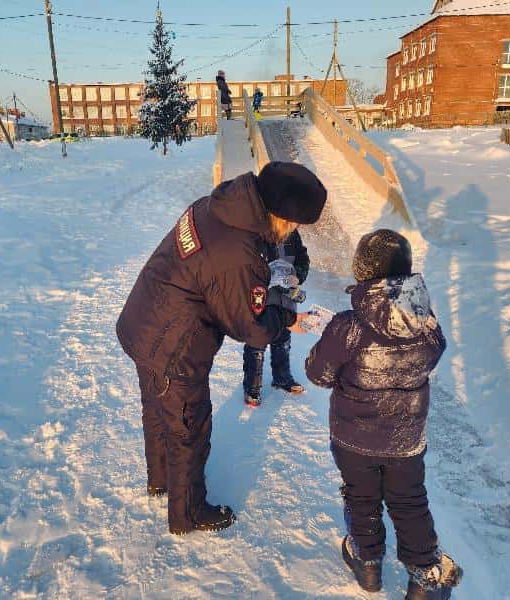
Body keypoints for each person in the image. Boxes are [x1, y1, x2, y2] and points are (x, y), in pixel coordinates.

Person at [117, 161, 326, 535]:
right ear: (276, 212)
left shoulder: (216, 206)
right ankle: (189, 514)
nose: (292, 231)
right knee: (189, 428)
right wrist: (286, 316)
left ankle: (161, 481)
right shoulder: (238, 252)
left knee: (158, 409)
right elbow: (252, 329)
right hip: (175, 347)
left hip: (144, 322)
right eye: (293, 223)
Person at [305, 229, 463, 599]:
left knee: (361, 497)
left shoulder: (349, 326)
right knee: (409, 501)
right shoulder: (426, 324)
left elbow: (318, 373)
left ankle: (368, 564)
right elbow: (435, 352)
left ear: (363, 271)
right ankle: (425, 577)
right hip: (405, 438)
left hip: (353, 438)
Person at [242, 229, 309, 407]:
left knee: (283, 339)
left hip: (286, 299)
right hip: (262, 297)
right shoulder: (257, 230)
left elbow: (303, 257)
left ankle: (282, 378)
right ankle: (252, 388)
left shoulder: (292, 233)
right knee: (257, 341)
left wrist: (298, 276)